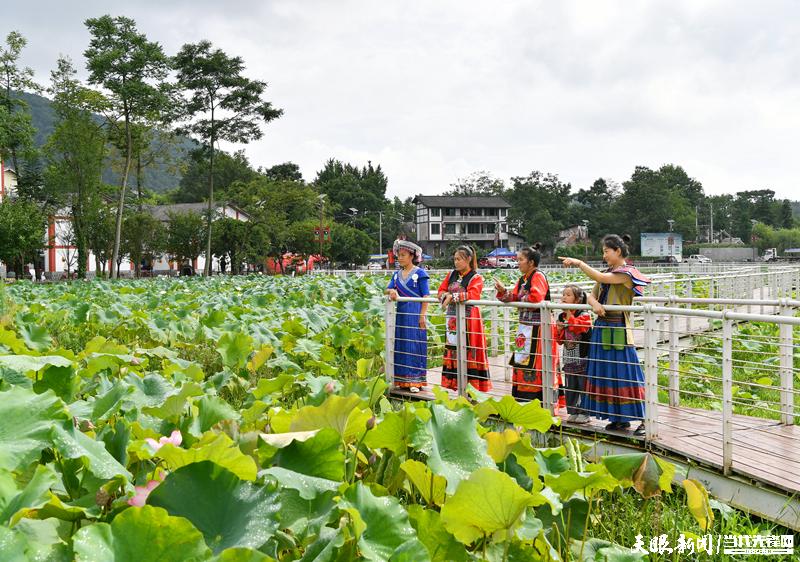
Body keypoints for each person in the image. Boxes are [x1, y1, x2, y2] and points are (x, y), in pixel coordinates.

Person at [559, 234, 651, 436]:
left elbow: (600, 279)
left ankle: (645, 419)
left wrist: (579, 263)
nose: (604, 255)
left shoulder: (627, 273)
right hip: (602, 328)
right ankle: (620, 419)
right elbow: (592, 294)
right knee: (607, 373)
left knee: (627, 374)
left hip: (618, 328)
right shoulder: (609, 272)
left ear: (618, 251)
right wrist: (595, 304)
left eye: (606, 251)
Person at [495, 244, 559, 402]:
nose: (518, 263)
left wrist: (518, 300)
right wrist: (503, 291)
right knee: (523, 360)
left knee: (538, 362)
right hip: (526, 326)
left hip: (539, 328)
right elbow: (514, 297)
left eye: (520, 260)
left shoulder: (538, 276)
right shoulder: (523, 279)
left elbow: (535, 298)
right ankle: (523, 398)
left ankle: (538, 400)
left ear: (531, 262)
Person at [438, 245, 491, 392]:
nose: (455, 262)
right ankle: (454, 383)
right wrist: (444, 296)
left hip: (470, 319)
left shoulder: (476, 277)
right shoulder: (451, 275)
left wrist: (453, 296)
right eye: (454, 259)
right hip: (452, 317)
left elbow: (473, 295)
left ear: (468, 259)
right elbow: (441, 290)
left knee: (469, 349)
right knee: (453, 348)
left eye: (459, 259)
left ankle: (472, 387)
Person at [386, 240, 430, 393]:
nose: (400, 258)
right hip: (402, 313)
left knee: (415, 345)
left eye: (403, 255)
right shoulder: (396, 275)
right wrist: (391, 291)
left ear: (412, 256)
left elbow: (425, 296)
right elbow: (388, 288)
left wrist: (422, 315)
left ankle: (415, 381)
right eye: (399, 256)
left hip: (415, 312)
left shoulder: (420, 273)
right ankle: (402, 379)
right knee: (402, 345)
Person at [556, 285, 592, 423]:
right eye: (563, 294)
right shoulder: (561, 315)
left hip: (583, 357)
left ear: (577, 300)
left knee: (584, 386)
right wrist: (559, 330)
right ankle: (573, 411)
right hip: (569, 356)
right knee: (570, 386)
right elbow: (559, 340)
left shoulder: (584, 314)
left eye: (568, 295)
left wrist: (569, 314)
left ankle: (585, 412)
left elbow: (578, 328)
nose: (564, 297)